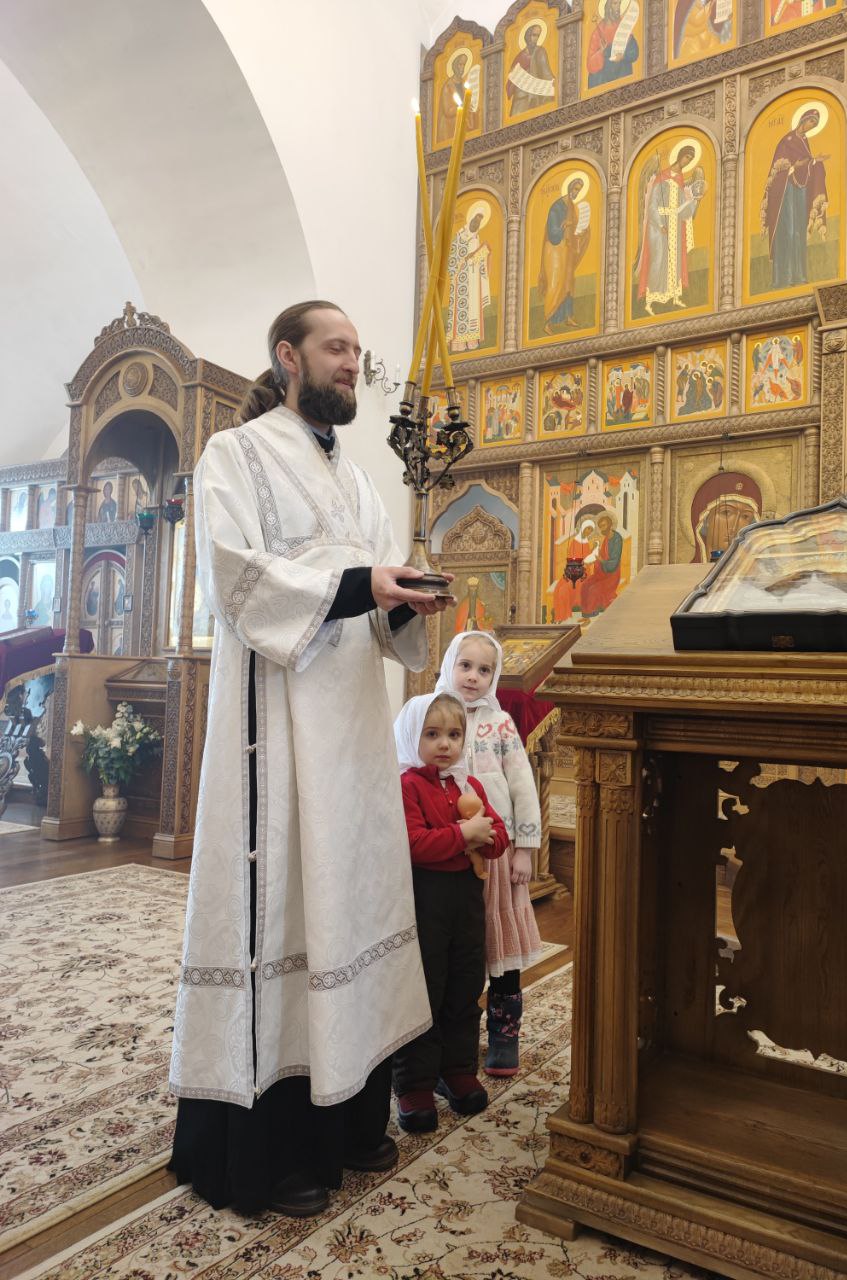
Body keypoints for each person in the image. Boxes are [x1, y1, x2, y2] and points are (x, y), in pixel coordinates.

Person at [169, 300, 452, 1217]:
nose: (351, 363)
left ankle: (348, 1121)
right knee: (288, 903)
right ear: (288, 357)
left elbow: (377, 599)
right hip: (279, 735)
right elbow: (236, 578)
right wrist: (361, 583)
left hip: (354, 738)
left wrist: (405, 600)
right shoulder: (236, 454)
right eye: (337, 348)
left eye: (357, 352)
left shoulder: (360, 481)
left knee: (352, 902)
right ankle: (275, 1150)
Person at [392, 691, 508, 1131]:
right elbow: (413, 844)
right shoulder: (407, 784)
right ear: (412, 736)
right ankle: (414, 1082)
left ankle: (456, 1068)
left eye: (454, 735)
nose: (445, 744)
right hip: (426, 899)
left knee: (465, 979)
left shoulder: (469, 784)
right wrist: (463, 835)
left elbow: (498, 837)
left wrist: (484, 836)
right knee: (425, 986)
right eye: (433, 734)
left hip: (466, 899)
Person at [436, 633, 542, 1076]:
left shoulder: (500, 725)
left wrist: (525, 849)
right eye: (465, 665)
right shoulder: (433, 716)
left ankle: (503, 1036)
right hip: (448, 853)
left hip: (498, 854)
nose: (473, 677)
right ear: (449, 665)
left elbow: (522, 787)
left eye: (484, 670)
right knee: (455, 948)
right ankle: (450, 1038)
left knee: (501, 947)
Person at [761, 109, 829, 290]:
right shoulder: (787, 141)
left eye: (815, 124)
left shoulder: (804, 142)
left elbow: (806, 165)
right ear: (803, 120)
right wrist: (793, 166)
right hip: (786, 192)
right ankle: (785, 277)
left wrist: (815, 161)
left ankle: (799, 275)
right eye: (811, 122)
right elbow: (777, 171)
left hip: (800, 190)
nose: (811, 126)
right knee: (789, 231)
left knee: (799, 231)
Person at [634, 145, 704, 315]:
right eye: (686, 157)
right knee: (658, 260)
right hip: (658, 227)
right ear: (680, 156)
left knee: (675, 260)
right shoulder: (660, 178)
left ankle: (674, 296)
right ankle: (650, 300)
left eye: (690, 160)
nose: (686, 162)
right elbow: (652, 206)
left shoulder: (680, 181)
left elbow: (684, 210)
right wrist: (659, 224)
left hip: (675, 226)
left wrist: (695, 200)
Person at [539, 176, 590, 335]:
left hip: (566, 251)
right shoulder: (557, 207)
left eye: (579, 191)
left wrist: (581, 232)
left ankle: (568, 317)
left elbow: (573, 231)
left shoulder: (571, 207)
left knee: (568, 283)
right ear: (569, 188)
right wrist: (564, 226)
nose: (576, 193)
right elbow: (552, 231)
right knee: (555, 283)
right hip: (554, 250)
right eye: (575, 189)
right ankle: (547, 321)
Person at [446, 204, 492, 354]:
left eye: (479, 221)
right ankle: (459, 345)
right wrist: (467, 260)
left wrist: (483, 253)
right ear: (470, 219)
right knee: (462, 313)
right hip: (461, 282)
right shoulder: (460, 237)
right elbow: (453, 260)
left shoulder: (476, 238)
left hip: (474, 281)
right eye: (475, 219)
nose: (476, 223)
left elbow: (477, 260)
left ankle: (472, 342)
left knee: (473, 312)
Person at [586, 0, 640, 89]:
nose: (618, 7)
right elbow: (590, 65)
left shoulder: (623, 26)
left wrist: (623, 56)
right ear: (608, 7)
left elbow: (634, 52)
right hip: (603, 81)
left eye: (619, 3)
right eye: (615, 3)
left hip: (622, 78)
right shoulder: (597, 33)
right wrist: (601, 51)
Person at [506, 22, 556, 117]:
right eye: (533, 35)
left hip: (537, 92)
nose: (535, 38)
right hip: (521, 96)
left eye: (538, 36)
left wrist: (553, 81)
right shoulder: (519, 56)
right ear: (527, 36)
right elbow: (511, 79)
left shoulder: (540, 51)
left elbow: (546, 72)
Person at [580, 513, 623, 617]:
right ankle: (586, 612)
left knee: (594, 589)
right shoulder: (606, 538)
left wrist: (600, 560)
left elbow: (613, 563)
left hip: (611, 575)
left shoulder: (617, 539)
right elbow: (603, 555)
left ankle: (591, 611)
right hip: (602, 573)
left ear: (610, 525)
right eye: (600, 527)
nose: (602, 529)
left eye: (604, 525)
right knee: (585, 585)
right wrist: (596, 551)